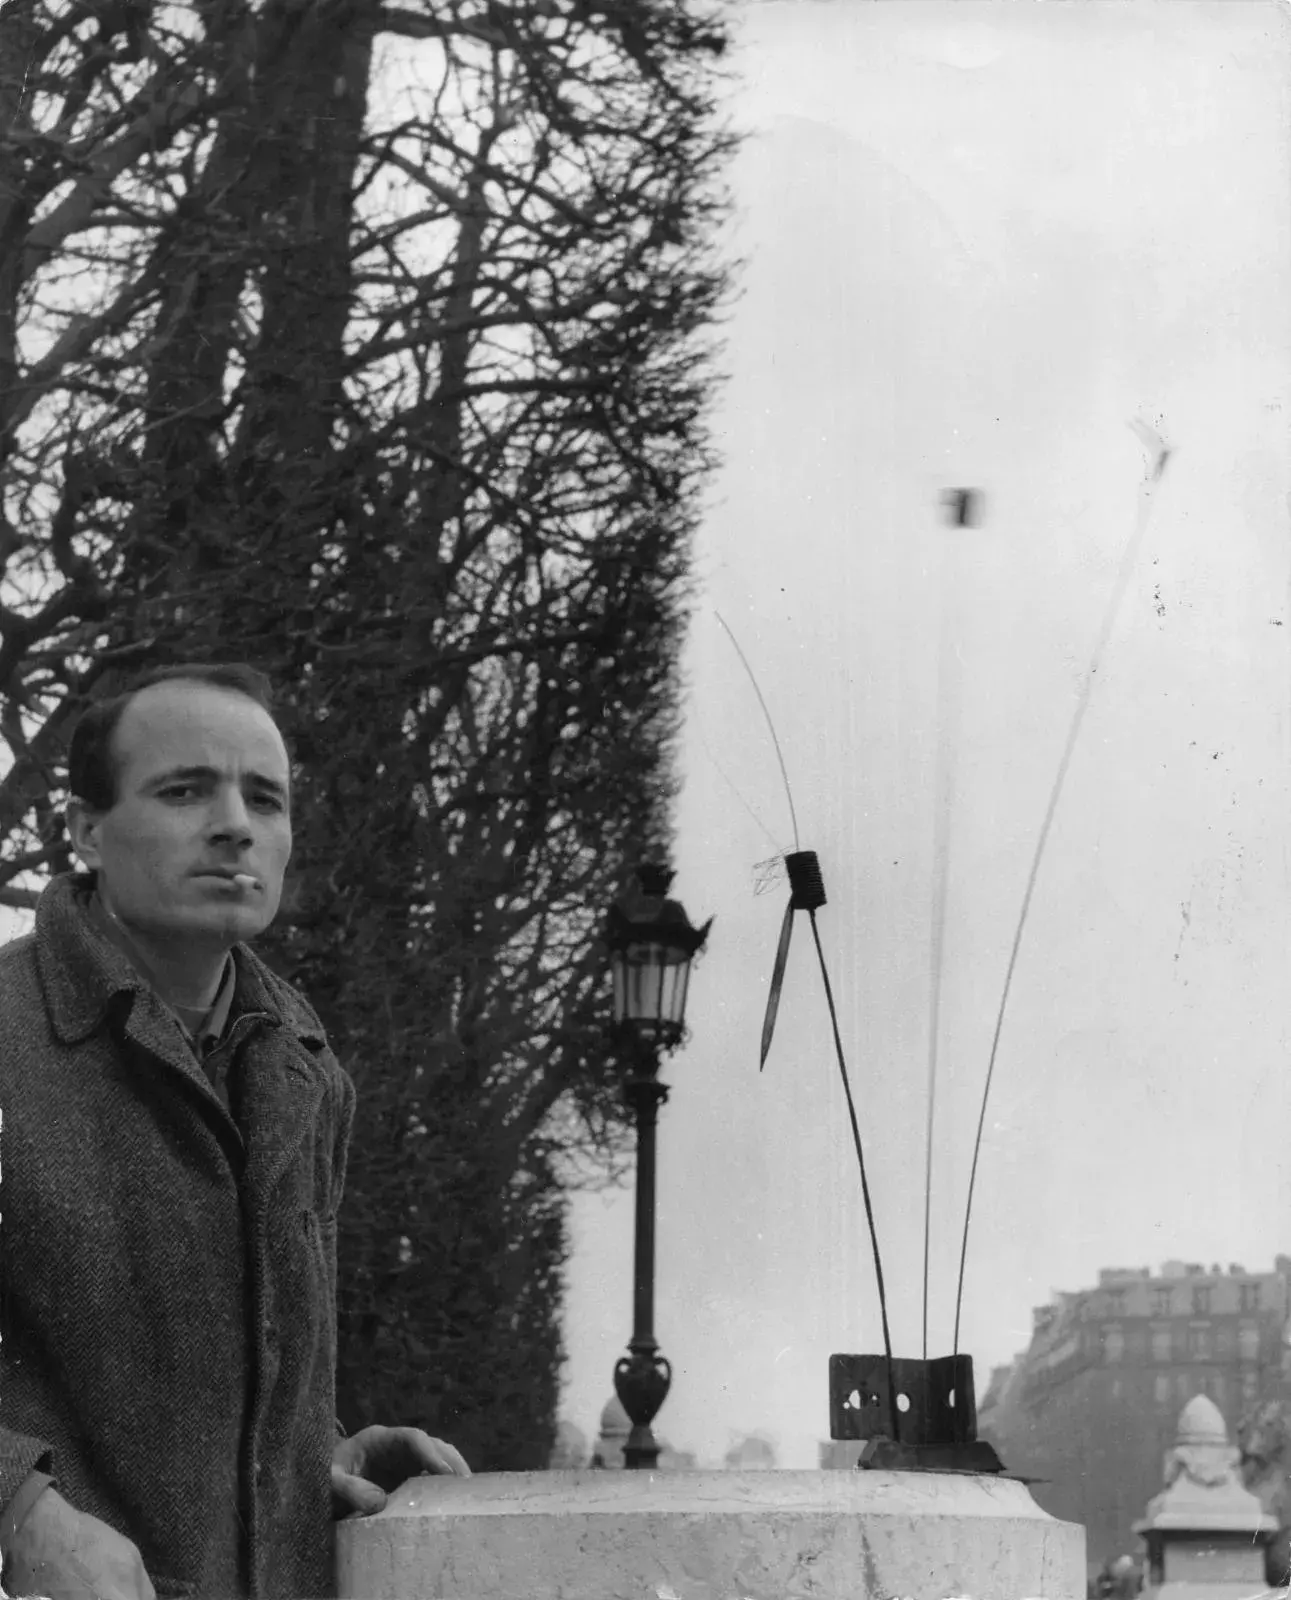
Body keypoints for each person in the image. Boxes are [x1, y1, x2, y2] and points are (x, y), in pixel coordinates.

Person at [0, 664, 469, 1600]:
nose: (235, 824)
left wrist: (309, 1457)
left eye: (266, 798)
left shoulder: (306, 1070)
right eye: (184, 790)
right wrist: (16, 1513)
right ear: (85, 830)